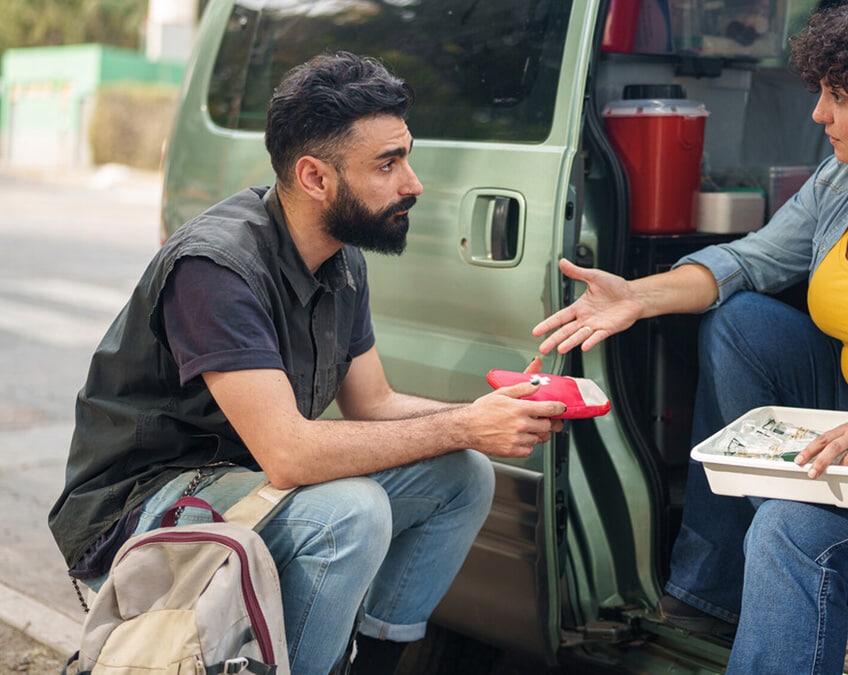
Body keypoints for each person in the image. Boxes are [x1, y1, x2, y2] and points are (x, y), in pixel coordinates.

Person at [533, 0, 848, 671]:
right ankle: (719, 591)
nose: (818, 115)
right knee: (743, 322)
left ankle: (791, 555)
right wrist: (639, 294)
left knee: (792, 532)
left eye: (839, 97)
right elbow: (752, 260)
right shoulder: (847, 178)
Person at [49, 51, 566, 675]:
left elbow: (373, 404)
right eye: (388, 164)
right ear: (316, 177)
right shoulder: (217, 268)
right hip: (139, 506)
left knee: (460, 475)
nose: (414, 183)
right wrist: (462, 425)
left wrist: (486, 416)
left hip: (243, 478)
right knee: (350, 512)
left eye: (406, 155)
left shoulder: (343, 259)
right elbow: (289, 456)